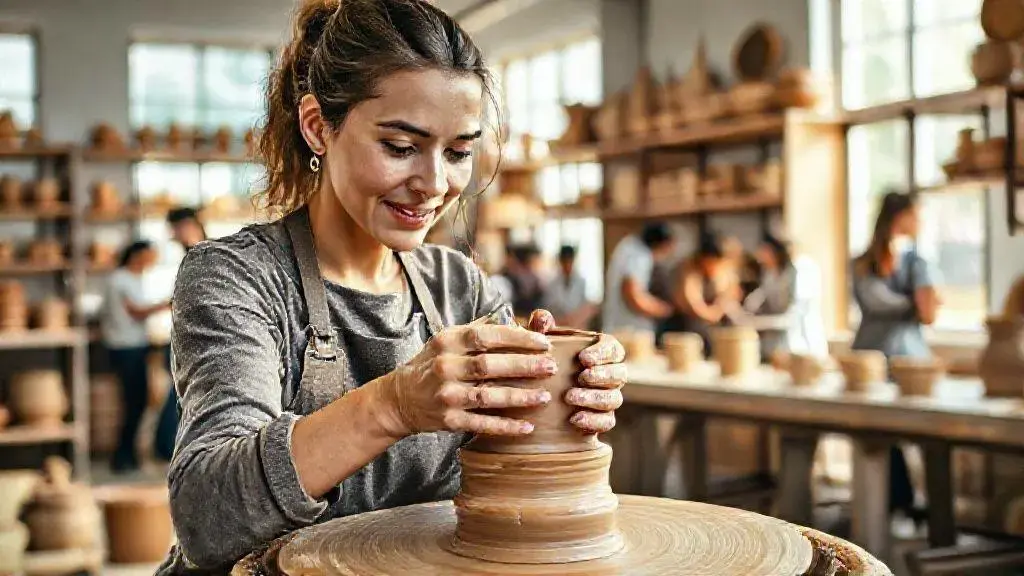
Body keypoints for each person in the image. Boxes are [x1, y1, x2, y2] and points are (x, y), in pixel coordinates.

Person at [157, 1, 626, 572]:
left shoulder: (460, 288)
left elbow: (521, 470)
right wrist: (395, 404)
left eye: (457, 153)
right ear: (317, 127)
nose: (433, 184)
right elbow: (208, 515)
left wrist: (565, 387)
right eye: (400, 147)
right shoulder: (238, 277)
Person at [851, 190, 940, 522]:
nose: (920, 222)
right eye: (916, 214)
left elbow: (929, 312)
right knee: (877, 440)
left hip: (909, 361)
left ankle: (919, 508)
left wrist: (921, 301)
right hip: (872, 361)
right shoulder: (864, 262)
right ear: (899, 216)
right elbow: (877, 302)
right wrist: (911, 304)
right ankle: (889, 508)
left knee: (922, 436)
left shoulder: (918, 261)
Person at [99, 240, 170, 473]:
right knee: (133, 403)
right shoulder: (120, 279)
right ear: (136, 255)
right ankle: (122, 457)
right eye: (149, 256)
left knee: (138, 402)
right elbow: (136, 312)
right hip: (124, 347)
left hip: (135, 345)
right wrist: (168, 304)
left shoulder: (134, 279)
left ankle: (128, 456)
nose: (151, 262)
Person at [153, 208, 209, 462]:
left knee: (185, 393)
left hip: (202, 335)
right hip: (187, 334)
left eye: (175, 228)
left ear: (187, 226)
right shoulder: (193, 254)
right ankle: (167, 447)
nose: (173, 234)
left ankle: (169, 447)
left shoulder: (206, 254)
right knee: (181, 392)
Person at [735, 233, 828, 360]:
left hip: (800, 341)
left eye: (763, 252)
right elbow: (759, 297)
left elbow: (793, 316)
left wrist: (760, 322)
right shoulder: (770, 274)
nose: (760, 258)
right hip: (776, 346)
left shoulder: (798, 271)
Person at [602, 222, 676, 334]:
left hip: (620, 328)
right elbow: (632, 295)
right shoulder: (639, 256)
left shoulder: (628, 245)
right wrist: (663, 310)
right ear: (662, 244)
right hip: (629, 332)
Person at [667, 231, 733, 356]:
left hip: (714, 322)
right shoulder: (689, 269)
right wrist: (710, 314)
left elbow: (726, 294)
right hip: (687, 324)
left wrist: (718, 310)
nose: (713, 266)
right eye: (711, 262)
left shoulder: (723, 269)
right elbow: (692, 301)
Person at [542, 245, 597, 329]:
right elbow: (547, 311)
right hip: (558, 327)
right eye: (565, 262)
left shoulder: (582, 282)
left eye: (569, 261)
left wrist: (576, 319)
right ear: (560, 262)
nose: (567, 265)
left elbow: (589, 308)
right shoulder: (552, 285)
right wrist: (562, 320)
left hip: (578, 327)